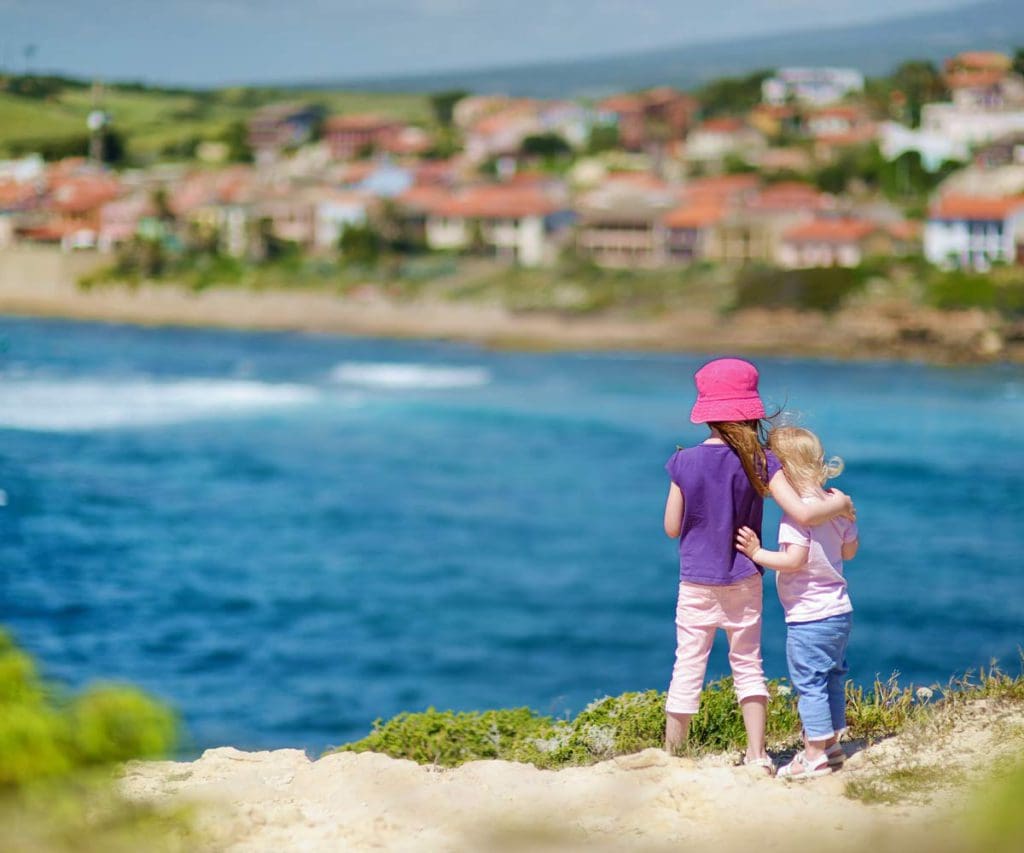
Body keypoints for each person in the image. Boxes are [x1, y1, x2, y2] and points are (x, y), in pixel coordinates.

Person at [663, 358, 854, 773]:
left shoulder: (682, 462)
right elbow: (802, 514)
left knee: (687, 666)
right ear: (751, 411)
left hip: (695, 581)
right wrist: (841, 503)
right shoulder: (763, 462)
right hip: (745, 578)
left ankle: (673, 758)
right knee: (748, 666)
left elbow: (672, 527)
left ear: (706, 414)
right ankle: (757, 756)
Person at [735, 425, 859, 780]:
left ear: (783, 473)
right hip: (839, 611)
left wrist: (758, 553)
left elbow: (794, 561)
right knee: (833, 675)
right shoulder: (835, 503)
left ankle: (815, 753)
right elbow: (849, 550)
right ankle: (832, 744)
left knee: (810, 682)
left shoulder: (794, 518)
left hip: (809, 616)